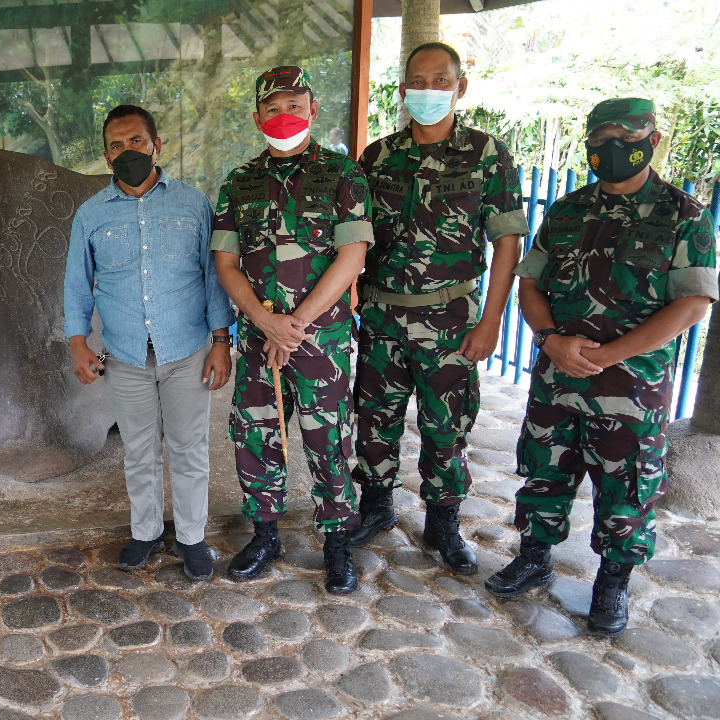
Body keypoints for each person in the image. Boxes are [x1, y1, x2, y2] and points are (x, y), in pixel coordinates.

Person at [485, 98, 717, 636]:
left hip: (632, 387)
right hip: (558, 375)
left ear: (652, 140)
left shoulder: (683, 215)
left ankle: (613, 581)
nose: (612, 149)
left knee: (627, 487)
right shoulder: (567, 211)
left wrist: (607, 356)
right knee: (544, 470)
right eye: (600, 140)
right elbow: (530, 284)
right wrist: (549, 340)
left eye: (626, 138)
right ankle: (534, 557)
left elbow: (692, 305)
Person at [350, 42, 527, 575]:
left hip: (451, 318)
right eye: (418, 82)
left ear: (460, 86)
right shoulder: (377, 157)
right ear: (403, 89)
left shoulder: (487, 154)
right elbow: (353, 237)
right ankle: (376, 505)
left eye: (440, 80)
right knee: (374, 419)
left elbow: (508, 243)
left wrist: (491, 321)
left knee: (446, 425)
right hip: (382, 316)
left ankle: (443, 520)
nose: (428, 90)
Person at [212, 66, 372, 592]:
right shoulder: (239, 182)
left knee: (329, 439)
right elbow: (226, 264)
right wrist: (266, 323)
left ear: (313, 110)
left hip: (321, 340)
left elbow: (351, 257)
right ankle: (265, 535)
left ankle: (337, 543)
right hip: (260, 339)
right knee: (255, 434)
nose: (284, 116)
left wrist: (294, 326)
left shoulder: (344, 175)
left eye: (294, 106)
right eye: (273, 108)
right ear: (258, 116)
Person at [64, 105, 236, 580]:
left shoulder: (193, 204)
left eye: (136, 141)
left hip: (187, 350)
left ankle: (192, 537)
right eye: (116, 145)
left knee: (188, 448)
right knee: (139, 451)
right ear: (106, 157)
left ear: (156, 145)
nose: (128, 151)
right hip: (124, 356)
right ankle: (146, 533)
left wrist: (222, 341)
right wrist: (78, 343)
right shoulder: (91, 215)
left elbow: (213, 277)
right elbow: (77, 286)